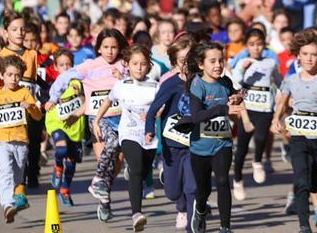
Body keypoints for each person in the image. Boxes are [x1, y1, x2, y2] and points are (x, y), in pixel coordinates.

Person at [272, 29, 317, 233]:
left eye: (313, 54)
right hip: (298, 137)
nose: (309, 59)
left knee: (315, 183)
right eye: (305, 54)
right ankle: (304, 225)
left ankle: (316, 186)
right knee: (301, 179)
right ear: (298, 55)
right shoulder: (292, 80)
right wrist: (276, 120)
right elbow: (282, 102)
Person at [58, 28, 128, 222]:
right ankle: (103, 197)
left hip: (121, 119)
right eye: (106, 47)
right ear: (98, 48)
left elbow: (133, 89)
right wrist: (71, 110)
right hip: (99, 121)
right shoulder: (90, 66)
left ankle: (104, 196)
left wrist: (123, 78)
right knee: (103, 159)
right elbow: (87, 98)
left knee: (116, 163)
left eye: (114, 47)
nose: (110, 51)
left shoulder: (125, 65)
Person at [95, 45, 158, 231]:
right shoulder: (121, 86)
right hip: (128, 133)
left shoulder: (155, 86)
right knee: (138, 169)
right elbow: (108, 100)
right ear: (127, 65)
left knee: (144, 170)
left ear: (149, 66)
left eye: (143, 64)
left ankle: (133, 171)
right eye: (135, 64)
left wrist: (155, 114)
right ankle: (136, 214)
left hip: (148, 135)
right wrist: (96, 120)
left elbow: (163, 107)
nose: (139, 67)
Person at [0, 56, 43, 223]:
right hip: (2, 142)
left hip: (21, 141)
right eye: (10, 75)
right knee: (5, 171)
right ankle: (7, 205)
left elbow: (38, 116)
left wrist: (31, 107)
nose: (13, 79)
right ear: (1, 76)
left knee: (18, 176)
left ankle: (13, 197)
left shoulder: (24, 92)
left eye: (17, 75)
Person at [186, 41, 243, 233]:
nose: (218, 65)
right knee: (203, 191)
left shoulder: (226, 82)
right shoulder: (197, 84)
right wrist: (223, 108)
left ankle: (225, 227)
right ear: (201, 64)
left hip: (222, 142)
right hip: (200, 146)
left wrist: (237, 98)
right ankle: (200, 209)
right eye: (213, 61)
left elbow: (236, 96)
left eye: (221, 60)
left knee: (222, 181)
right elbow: (196, 117)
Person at [146, 34, 196, 231]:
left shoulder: (201, 81)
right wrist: (149, 130)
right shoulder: (170, 83)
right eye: (183, 61)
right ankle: (181, 205)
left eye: (190, 60)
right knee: (173, 192)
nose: (187, 64)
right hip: (172, 144)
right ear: (175, 61)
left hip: (195, 143)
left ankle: (194, 226)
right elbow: (152, 111)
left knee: (193, 188)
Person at [0, 11, 43, 189]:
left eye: (22, 29)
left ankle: (33, 172)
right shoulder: (0, 56)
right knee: (14, 145)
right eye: (14, 29)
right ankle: (15, 179)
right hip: (10, 110)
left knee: (34, 142)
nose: (20, 33)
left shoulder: (33, 54)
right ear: (5, 33)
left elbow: (35, 80)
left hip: (29, 105)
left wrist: (50, 91)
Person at [231, 28, 281, 200]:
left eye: (259, 44)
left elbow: (279, 81)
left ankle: (258, 161)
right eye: (252, 44)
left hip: (265, 107)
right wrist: (243, 70)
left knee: (261, 137)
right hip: (248, 108)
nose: (256, 48)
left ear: (264, 45)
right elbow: (235, 82)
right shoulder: (242, 62)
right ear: (246, 46)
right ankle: (237, 180)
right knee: (242, 147)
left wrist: (287, 96)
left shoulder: (270, 62)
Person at [44, 50, 86, 206]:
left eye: (68, 65)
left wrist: (80, 94)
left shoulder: (78, 81)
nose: (66, 68)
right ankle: (57, 166)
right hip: (56, 121)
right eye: (62, 65)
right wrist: (49, 102)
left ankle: (65, 189)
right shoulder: (54, 84)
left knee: (71, 162)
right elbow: (47, 98)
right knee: (61, 149)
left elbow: (85, 98)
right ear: (55, 67)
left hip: (74, 124)